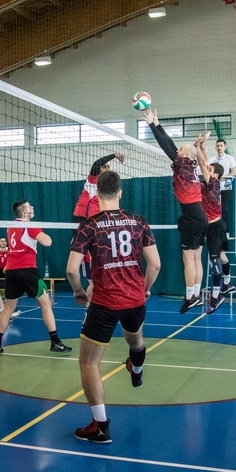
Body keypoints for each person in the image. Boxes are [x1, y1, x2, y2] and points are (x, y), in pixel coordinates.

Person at [66, 170, 161, 443]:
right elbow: (155, 264)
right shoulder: (139, 221)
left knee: (88, 362)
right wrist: (144, 288)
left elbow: (72, 269)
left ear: (96, 194)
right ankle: (137, 372)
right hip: (135, 301)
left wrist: (78, 291)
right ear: (120, 192)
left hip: (105, 303)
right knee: (136, 341)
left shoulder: (89, 225)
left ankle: (100, 426)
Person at [142, 107, 208, 313]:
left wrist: (151, 125)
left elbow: (165, 146)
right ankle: (195, 295)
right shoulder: (190, 164)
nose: (177, 150)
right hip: (200, 216)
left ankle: (190, 298)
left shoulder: (183, 165)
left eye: (180, 149)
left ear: (185, 155)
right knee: (196, 258)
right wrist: (158, 123)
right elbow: (171, 145)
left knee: (189, 259)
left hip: (192, 216)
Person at [0, 200, 72, 355]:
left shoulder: (11, 226)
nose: (32, 207)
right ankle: (55, 342)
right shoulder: (31, 226)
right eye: (29, 206)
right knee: (46, 304)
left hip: (12, 272)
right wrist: (44, 233)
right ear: (24, 212)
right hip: (27, 271)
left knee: (8, 307)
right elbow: (47, 242)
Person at [72, 152, 125, 298]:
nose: (107, 168)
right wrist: (114, 155)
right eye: (104, 166)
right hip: (83, 220)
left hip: (100, 223)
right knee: (93, 277)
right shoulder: (92, 181)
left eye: (109, 167)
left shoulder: (108, 189)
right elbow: (96, 164)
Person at [196, 137, 226, 314]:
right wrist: (202, 146)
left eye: (210, 170)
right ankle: (224, 286)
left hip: (216, 227)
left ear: (215, 175)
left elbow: (202, 164)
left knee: (215, 260)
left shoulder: (213, 183)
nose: (208, 169)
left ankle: (216, 296)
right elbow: (205, 162)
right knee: (213, 259)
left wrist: (197, 148)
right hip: (209, 227)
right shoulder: (209, 183)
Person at [209, 139, 236, 240]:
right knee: (212, 208)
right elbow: (208, 172)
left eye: (221, 146)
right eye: (217, 146)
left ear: (225, 147)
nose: (219, 148)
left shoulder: (230, 158)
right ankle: (212, 230)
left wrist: (223, 178)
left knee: (225, 209)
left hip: (226, 187)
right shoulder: (212, 160)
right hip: (214, 188)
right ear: (215, 147)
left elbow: (234, 172)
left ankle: (226, 231)